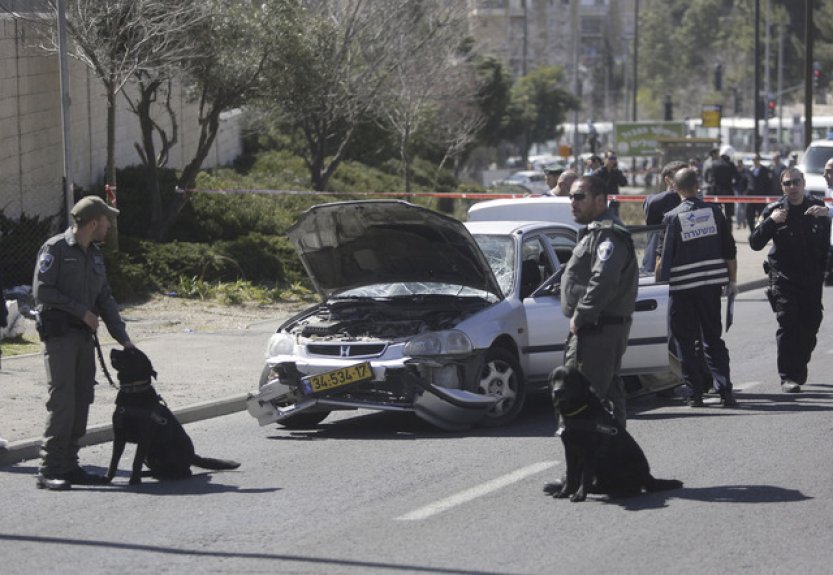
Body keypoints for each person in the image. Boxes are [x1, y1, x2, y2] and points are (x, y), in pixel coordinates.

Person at [33, 195, 135, 490]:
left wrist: (124, 340)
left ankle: (69, 464)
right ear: (93, 223)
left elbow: (105, 298)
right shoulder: (55, 249)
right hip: (61, 338)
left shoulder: (94, 255)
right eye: (106, 222)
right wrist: (81, 312)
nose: (109, 227)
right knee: (63, 401)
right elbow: (42, 291)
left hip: (83, 339)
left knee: (81, 399)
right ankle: (49, 468)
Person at [559, 175, 638, 426]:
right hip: (594, 330)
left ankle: (594, 459)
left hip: (598, 329)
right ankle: (613, 457)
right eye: (570, 196)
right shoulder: (594, 231)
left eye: (580, 196)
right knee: (607, 398)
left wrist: (581, 314)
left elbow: (603, 279)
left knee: (582, 402)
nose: (573, 202)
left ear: (601, 200)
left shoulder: (608, 235)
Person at [656, 168, 738, 408]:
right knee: (713, 339)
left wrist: (658, 282)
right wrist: (732, 281)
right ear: (697, 185)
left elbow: (662, 260)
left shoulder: (671, 217)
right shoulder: (715, 211)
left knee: (684, 342)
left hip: (682, 290)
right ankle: (725, 391)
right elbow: (729, 250)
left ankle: (694, 395)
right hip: (711, 287)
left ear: (676, 188)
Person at [749, 168, 830, 393]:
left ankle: (799, 364)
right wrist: (771, 222)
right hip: (783, 277)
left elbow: (826, 244)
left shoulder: (818, 208)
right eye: (787, 183)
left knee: (811, 324)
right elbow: (755, 242)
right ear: (781, 186)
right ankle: (787, 376)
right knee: (788, 323)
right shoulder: (774, 211)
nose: (792, 187)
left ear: (804, 184)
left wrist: (827, 215)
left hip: (811, 278)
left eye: (796, 182)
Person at [641, 160, 687, 273]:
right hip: (654, 263)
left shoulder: (689, 199)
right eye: (681, 177)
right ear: (668, 179)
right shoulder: (656, 199)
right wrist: (675, 192)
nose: (686, 181)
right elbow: (651, 204)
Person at [708, 145, 740, 227]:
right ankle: (729, 234)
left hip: (716, 192)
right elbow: (738, 178)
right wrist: (733, 185)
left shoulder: (713, 164)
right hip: (728, 192)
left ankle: (718, 235)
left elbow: (710, 179)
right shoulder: (730, 164)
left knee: (716, 214)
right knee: (729, 216)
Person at [746, 154, 771, 232]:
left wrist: (767, 195)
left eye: (756, 159)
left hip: (761, 197)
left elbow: (768, 183)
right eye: (754, 159)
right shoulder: (749, 170)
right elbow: (746, 182)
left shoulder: (765, 170)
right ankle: (752, 231)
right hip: (751, 198)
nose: (755, 161)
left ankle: (760, 230)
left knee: (761, 215)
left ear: (759, 160)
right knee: (750, 216)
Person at [734, 158, 751, 229]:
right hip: (737, 193)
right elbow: (733, 184)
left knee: (744, 209)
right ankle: (738, 223)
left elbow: (749, 183)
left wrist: (746, 191)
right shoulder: (735, 173)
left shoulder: (746, 172)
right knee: (738, 208)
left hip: (745, 193)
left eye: (739, 165)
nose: (738, 167)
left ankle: (744, 221)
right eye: (737, 165)